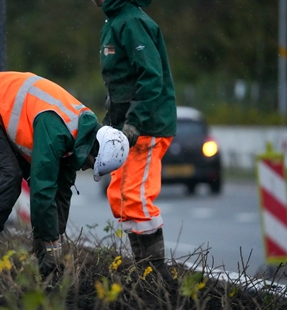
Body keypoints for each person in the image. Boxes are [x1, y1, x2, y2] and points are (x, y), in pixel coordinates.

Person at [0, 71, 129, 274]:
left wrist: (55, 243)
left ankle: (42, 261)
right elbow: (42, 189)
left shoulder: (80, 135)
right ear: (93, 149)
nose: (85, 168)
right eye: (91, 164)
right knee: (9, 176)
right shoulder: (56, 130)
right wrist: (49, 240)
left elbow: (62, 191)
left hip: (3, 108)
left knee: (44, 186)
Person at [90, 0, 177, 284]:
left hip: (146, 127)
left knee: (136, 198)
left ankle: (158, 278)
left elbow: (151, 77)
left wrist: (134, 121)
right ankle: (145, 272)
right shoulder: (115, 21)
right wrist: (109, 127)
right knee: (122, 198)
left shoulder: (131, 22)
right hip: (128, 128)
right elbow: (120, 86)